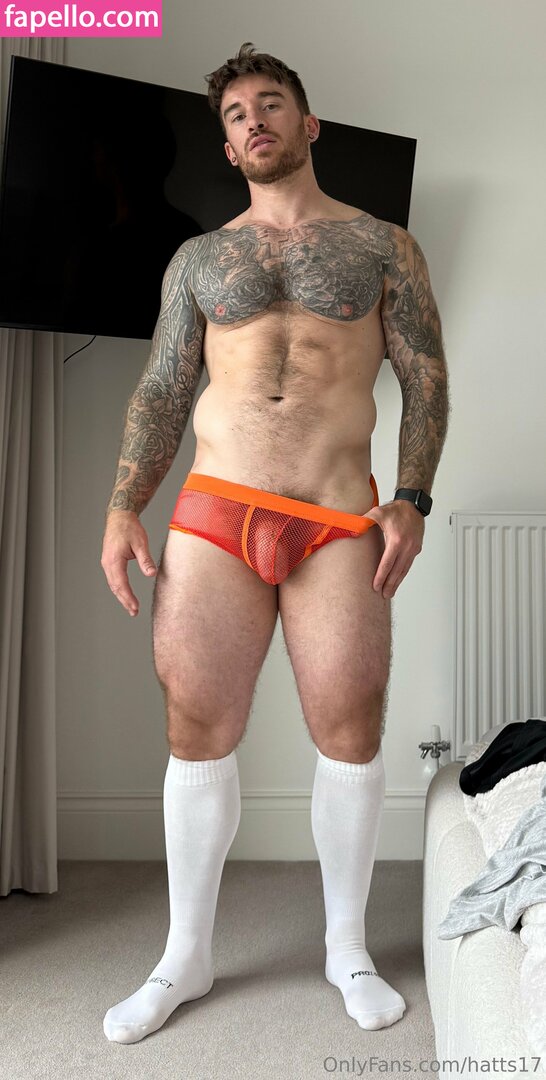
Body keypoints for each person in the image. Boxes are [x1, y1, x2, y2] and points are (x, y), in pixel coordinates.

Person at [100, 41, 449, 1044]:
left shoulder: (384, 245)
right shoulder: (199, 260)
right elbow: (165, 387)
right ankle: (185, 956)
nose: (254, 120)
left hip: (337, 515)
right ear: (227, 144)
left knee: (350, 721)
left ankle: (347, 949)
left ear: (308, 122)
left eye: (270, 103)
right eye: (236, 114)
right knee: (196, 725)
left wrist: (413, 498)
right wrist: (124, 505)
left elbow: (425, 376)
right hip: (217, 508)